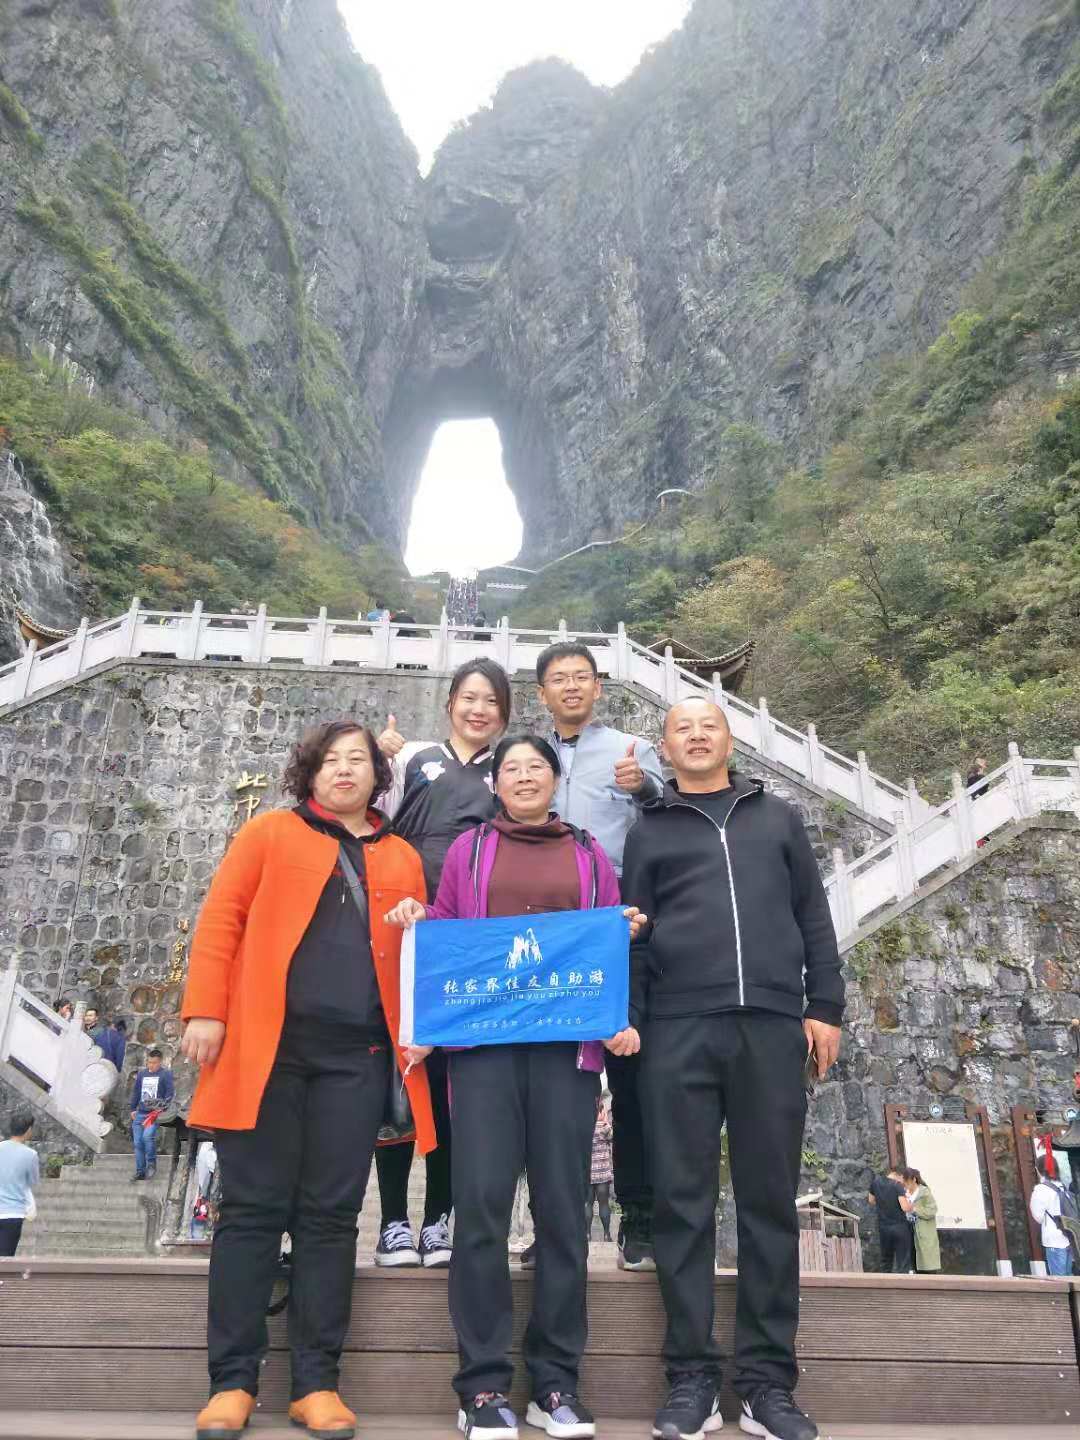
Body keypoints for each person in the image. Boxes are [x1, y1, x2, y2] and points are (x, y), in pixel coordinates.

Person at [386, 733, 646, 1440]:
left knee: (563, 1214)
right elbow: (447, 932)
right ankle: (482, 1385)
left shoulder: (589, 853)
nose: (524, 777)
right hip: (483, 1056)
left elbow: (606, 940)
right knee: (481, 1212)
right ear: (495, 784)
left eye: (537, 767)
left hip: (566, 1055)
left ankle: (556, 1383)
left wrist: (619, 986)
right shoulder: (469, 852)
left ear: (555, 780)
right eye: (511, 769)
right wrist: (419, 920)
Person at [180, 719, 433, 1440]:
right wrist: (205, 1010)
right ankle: (232, 1382)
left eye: (358, 759)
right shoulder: (269, 833)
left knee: (330, 1218)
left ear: (378, 776)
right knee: (251, 1213)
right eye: (330, 760)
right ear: (310, 772)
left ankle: (317, 1383)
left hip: (358, 1059)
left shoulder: (403, 856)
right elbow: (222, 919)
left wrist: (419, 921)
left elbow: (423, 954)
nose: (344, 769)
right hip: (267, 1053)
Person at [621, 696, 843, 1440]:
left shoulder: (777, 819)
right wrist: (634, 1019)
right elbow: (634, 935)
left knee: (768, 1204)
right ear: (664, 747)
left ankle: (766, 1384)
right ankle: (691, 1378)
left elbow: (813, 914)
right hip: (678, 1031)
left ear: (728, 739)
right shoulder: (649, 831)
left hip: (772, 1027)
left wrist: (826, 1005)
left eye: (707, 725)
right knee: (681, 1205)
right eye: (681, 727)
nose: (695, 735)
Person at [373, 658, 512, 1268]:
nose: (479, 710)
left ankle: (438, 1219)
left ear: (504, 714)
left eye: (492, 701)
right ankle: (392, 1221)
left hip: (468, 941)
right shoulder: (413, 758)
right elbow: (370, 816)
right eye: (469, 697)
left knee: (454, 1082)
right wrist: (377, 757)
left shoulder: (507, 771)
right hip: (403, 930)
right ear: (450, 702)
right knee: (400, 1075)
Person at [535, 641, 664, 1272]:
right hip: (546, 933)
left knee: (631, 1074)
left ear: (598, 687)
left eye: (581, 677)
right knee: (551, 1082)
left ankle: (640, 1218)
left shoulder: (630, 749)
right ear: (542, 693)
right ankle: (551, 1225)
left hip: (617, 928)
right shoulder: (527, 757)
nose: (571, 686)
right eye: (559, 679)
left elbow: (668, 812)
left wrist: (646, 788)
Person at [129, 1048, 175, 1182]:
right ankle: (140, 1171)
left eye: (154, 1063)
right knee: (138, 1142)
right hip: (140, 1112)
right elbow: (136, 1091)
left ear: (160, 1062)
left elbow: (169, 1093)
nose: (151, 1065)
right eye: (149, 1062)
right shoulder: (142, 1074)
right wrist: (133, 1108)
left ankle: (151, 1164)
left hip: (154, 1114)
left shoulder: (165, 1074)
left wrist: (162, 1108)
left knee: (147, 1137)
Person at [0, 1110, 39, 1257]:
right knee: (6, 1257)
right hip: (13, 1212)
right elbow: (33, 1181)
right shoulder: (31, 1155)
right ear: (28, 1130)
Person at [1029, 1154, 1075, 1276]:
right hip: (1069, 1236)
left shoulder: (1041, 1190)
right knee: (1069, 1275)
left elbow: (1038, 1216)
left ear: (1038, 1170)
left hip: (1054, 1239)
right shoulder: (1062, 1186)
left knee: (1059, 1279)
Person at [868, 1167, 913, 1273]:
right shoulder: (897, 1186)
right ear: (899, 1176)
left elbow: (871, 1200)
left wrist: (884, 1204)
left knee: (886, 1260)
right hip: (900, 1227)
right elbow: (905, 1207)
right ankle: (903, 1281)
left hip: (884, 1227)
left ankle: (885, 1281)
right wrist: (911, 1205)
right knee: (903, 1261)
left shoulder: (875, 1183)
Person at [898, 1167, 940, 1274]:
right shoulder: (904, 1193)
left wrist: (915, 1209)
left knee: (926, 1262)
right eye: (904, 1182)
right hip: (908, 1229)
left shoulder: (924, 1192)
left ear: (914, 1180)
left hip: (923, 1231)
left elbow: (932, 1210)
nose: (905, 1185)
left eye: (907, 1182)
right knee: (912, 1259)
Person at [588, 1092, 614, 1243]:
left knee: (588, 1203)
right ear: (602, 1111)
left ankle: (587, 1235)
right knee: (604, 1204)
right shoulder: (604, 1128)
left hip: (587, 1173)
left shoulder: (586, 1127)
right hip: (603, 1174)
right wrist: (605, 1121)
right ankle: (606, 1235)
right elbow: (612, 1138)